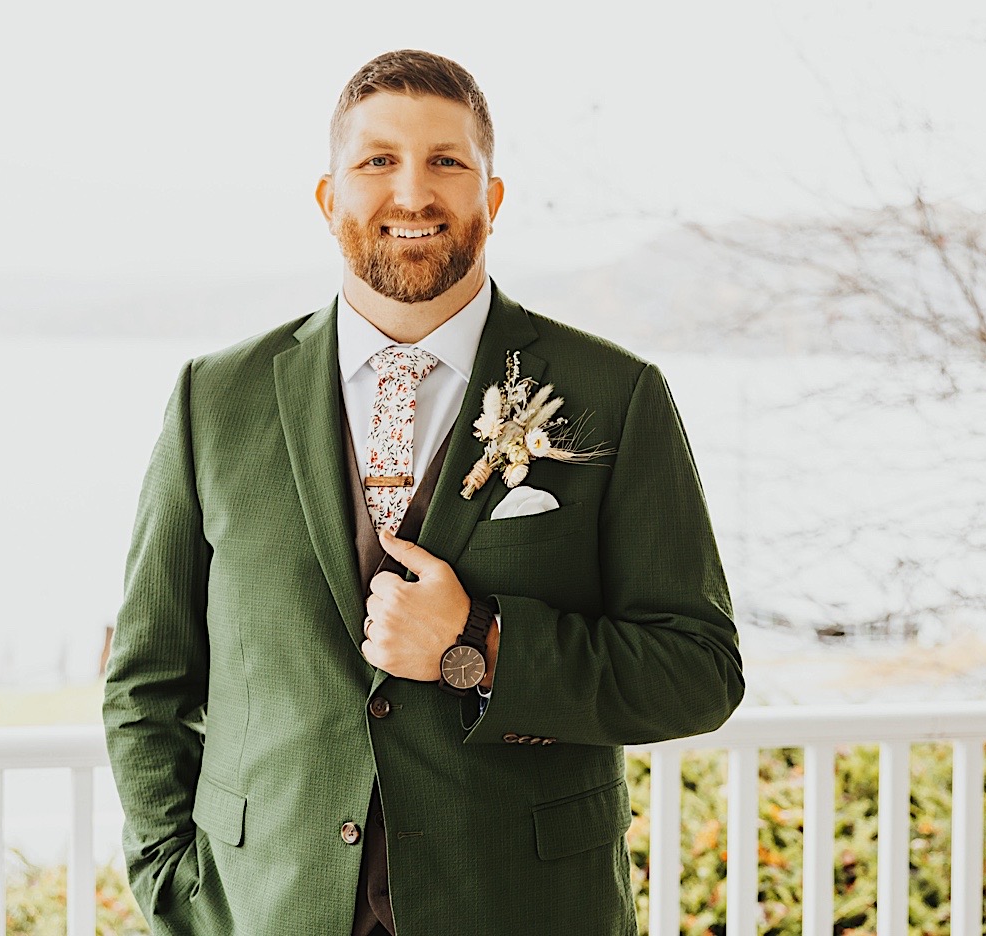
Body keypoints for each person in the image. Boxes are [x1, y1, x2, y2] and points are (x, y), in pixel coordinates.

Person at [101, 49, 744, 936]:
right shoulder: (215, 399)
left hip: (526, 909)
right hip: (266, 910)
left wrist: (479, 641)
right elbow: (147, 681)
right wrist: (174, 884)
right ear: (330, 200)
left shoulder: (613, 394)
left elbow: (699, 670)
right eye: (376, 162)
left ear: (492, 196)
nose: (412, 193)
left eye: (447, 161)